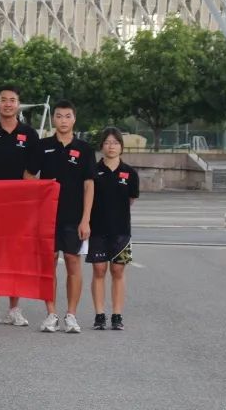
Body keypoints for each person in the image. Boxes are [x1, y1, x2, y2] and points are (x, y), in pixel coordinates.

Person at [0, 84, 42, 327]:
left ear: (18, 104)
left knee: (16, 257)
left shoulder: (30, 134)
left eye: (12, 100)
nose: (8, 104)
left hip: (20, 207)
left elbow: (32, 171)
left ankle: (14, 308)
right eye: (4, 99)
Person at [35, 100, 94, 334]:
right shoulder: (43, 146)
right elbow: (28, 175)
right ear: (53, 119)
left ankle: (71, 315)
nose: (63, 120)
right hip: (47, 217)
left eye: (68, 116)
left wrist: (86, 219)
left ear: (74, 119)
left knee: (72, 262)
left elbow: (89, 185)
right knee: (48, 264)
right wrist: (38, 191)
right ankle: (51, 314)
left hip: (74, 217)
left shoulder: (84, 149)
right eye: (59, 116)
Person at [88, 127, 139, 331]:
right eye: (107, 143)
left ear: (121, 147)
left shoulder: (130, 173)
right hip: (97, 229)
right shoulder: (93, 171)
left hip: (121, 230)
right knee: (99, 270)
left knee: (118, 270)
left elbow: (131, 199)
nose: (111, 146)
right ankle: (99, 314)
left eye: (116, 143)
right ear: (101, 146)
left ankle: (117, 315)